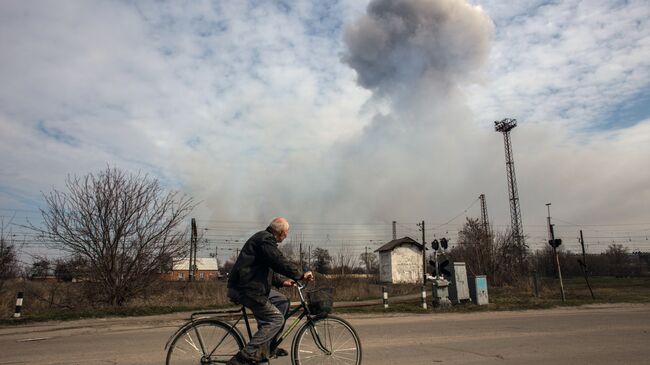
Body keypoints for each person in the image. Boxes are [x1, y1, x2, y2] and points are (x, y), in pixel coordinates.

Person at [227, 217, 313, 365]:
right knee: (276, 319)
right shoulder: (265, 239)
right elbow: (278, 261)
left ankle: (267, 348)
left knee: (282, 302)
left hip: (252, 287)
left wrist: (281, 282)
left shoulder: (265, 240)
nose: (286, 235)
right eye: (286, 232)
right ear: (279, 232)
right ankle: (245, 356)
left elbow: (264, 269)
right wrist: (299, 274)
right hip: (246, 289)